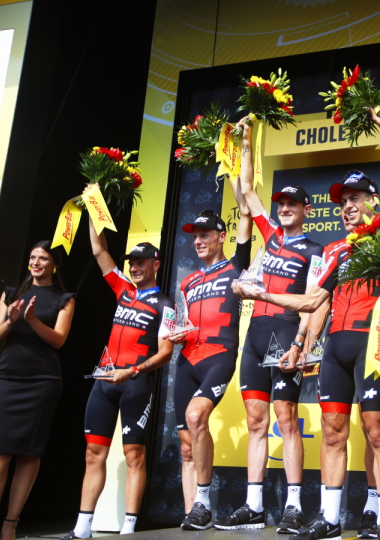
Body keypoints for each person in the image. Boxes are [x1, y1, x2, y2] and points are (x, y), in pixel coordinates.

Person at [232, 109, 380, 540]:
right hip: (335, 349)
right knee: (332, 431)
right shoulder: (333, 251)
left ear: (372, 201)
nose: (348, 206)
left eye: (355, 198)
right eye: (343, 201)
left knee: (376, 428)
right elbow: (315, 302)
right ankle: (330, 519)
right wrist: (291, 332)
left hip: (374, 343)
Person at [214, 117, 328, 532]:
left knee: (286, 418)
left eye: (291, 205)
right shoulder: (270, 234)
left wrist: (300, 344)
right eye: (280, 204)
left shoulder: (316, 250)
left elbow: (315, 303)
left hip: (285, 334)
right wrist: (246, 140)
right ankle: (255, 504)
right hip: (255, 336)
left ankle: (294, 506)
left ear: (305, 210)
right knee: (256, 420)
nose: (283, 209)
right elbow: (246, 189)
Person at [60, 222, 176, 540]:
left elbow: (166, 352)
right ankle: (81, 529)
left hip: (134, 384)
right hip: (103, 383)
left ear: (155, 264)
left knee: (134, 456)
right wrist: (95, 205)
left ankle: (129, 530)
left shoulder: (166, 305)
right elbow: (99, 249)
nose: (135, 268)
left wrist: (133, 371)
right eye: (132, 263)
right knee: (91, 455)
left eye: (141, 263)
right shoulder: (123, 288)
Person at [0, 241, 76, 540]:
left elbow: (59, 340)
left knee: (30, 453)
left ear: (54, 264)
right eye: (32, 258)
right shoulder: (12, 295)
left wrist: (32, 320)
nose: (35, 263)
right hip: (8, 379)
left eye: (43, 258)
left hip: (43, 381)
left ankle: (11, 524)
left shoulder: (64, 298)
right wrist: (12, 319)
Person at [171, 196, 253, 530]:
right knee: (186, 447)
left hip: (219, 355)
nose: (198, 240)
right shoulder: (186, 282)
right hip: (187, 359)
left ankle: (203, 501)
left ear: (222, 235)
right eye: (194, 236)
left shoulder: (236, 265)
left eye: (205, 234)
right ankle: (194, 515)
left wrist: (239, 153)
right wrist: (175, 334)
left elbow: (246, 215)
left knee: (196, 415)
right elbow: (180, 323)